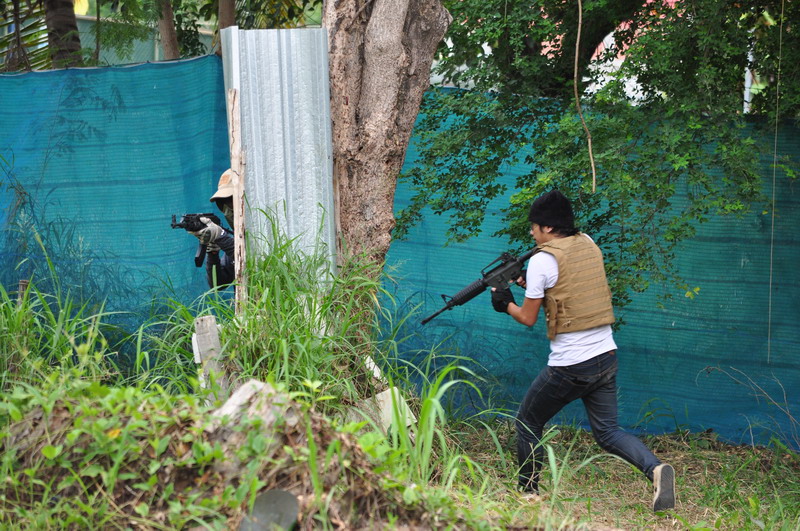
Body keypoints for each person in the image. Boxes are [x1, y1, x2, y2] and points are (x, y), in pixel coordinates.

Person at [490, 189, 675, 512]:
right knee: (608, 432)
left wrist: (504, 303)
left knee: (528, 423)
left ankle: (529, 494)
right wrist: (527, 283)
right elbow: (567, 290)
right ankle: (656, 469)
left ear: (548, 227)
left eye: (534, 226)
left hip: (571, 365)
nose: (531, 233)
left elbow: (528, 318)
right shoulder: (588, 243)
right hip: (606, 356)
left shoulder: (542, 260)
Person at [192, 169, 236, 289]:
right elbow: (218, 284)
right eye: (222, 203)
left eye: (231, 201)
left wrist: (220, 235)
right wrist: (213, 252)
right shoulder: (238, 238)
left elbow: (251, 259)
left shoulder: (262, 229)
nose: (227, 210)